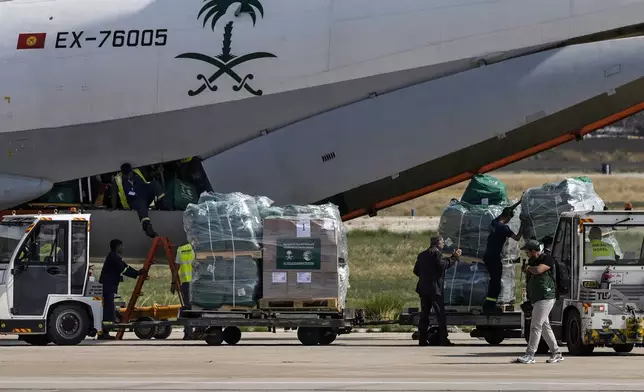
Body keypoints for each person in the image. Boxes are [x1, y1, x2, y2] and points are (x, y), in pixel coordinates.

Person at [515, 239, 564, 364]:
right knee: (544, 326)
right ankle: (556, 353)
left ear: (533, 251)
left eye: (527, 251)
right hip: (537, 298)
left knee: (535, 325)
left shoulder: (546, 259)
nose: (526, 254)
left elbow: (538, 270)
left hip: (546, 297)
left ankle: (530, 354)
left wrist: (529, 268)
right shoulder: (532, 261)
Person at [413, 236, 462, 346]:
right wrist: (454, 257)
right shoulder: (437, 253)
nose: (443, 245)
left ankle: (422, 339)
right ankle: (443, 339)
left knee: (424, 314)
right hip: (435, 289)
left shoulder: (421, 255)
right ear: (437, 244)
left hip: (423, 288)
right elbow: (443, 265)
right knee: (440, 314)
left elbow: (416, 270)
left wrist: (425, 277)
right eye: (442, 243)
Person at [98, 239, 144, 340]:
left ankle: (105, 330)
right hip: (108, 285)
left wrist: (136, 272)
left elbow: (124, 266)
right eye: (121, 246)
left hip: (109, 285)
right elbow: (123, 269)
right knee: (108, 308)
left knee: (109, 307)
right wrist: (136, 273)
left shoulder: (113, 257)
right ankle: (104, 332)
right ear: (117, 246)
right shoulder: (113, 257)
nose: (122, 248)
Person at [482, 207, 523, 314]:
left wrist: (517, 203)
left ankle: (489, 305)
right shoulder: (504, 229)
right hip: (494, 257)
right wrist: (523, 223)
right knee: (496, 284)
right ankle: (489, 307)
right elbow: (517, 237)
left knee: (493, 281)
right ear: (509, 217)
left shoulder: (494, 223)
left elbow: (504, 213)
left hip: (487, 255)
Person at [112, 163, 167, 238]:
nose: (129, 175)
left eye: (130, 173)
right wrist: (113, 208)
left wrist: (158, 172)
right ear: (123, 174)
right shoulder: (118, 180)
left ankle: (162, 203)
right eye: (127, 174)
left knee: (154, 184)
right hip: (133, 201)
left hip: (144, 194)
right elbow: (118, 194)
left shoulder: (137, 172)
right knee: (141, 204)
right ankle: (147, 227)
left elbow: (148, 177)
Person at [172, 243, 195, 340]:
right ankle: (201, 331)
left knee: (187, 309)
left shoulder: (181, 249)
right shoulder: (199, 247)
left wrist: (173, 283)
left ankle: (188, 333)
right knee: (201, 307)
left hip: (186, 283)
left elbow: (176, 269)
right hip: (198, 283)